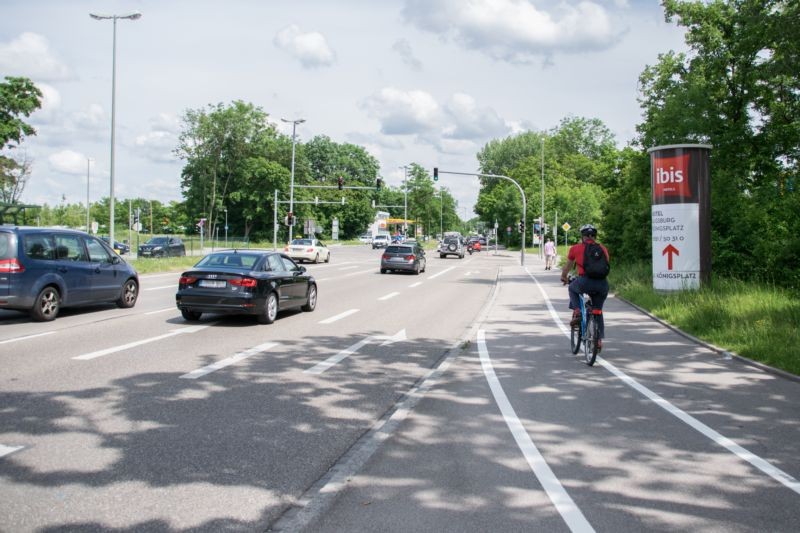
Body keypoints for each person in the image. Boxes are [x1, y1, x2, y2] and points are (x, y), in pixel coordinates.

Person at [560, 224, 610, 350]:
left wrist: (564, 277)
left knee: (572, 288)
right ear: (595, 236)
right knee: (597, 311)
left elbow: (568, 266)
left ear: (582, 236)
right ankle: (598, 340)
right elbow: (606, 266)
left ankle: (577, 311)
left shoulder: (575, 248)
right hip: (602, 284)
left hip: (585, 281)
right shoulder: (603, 249)